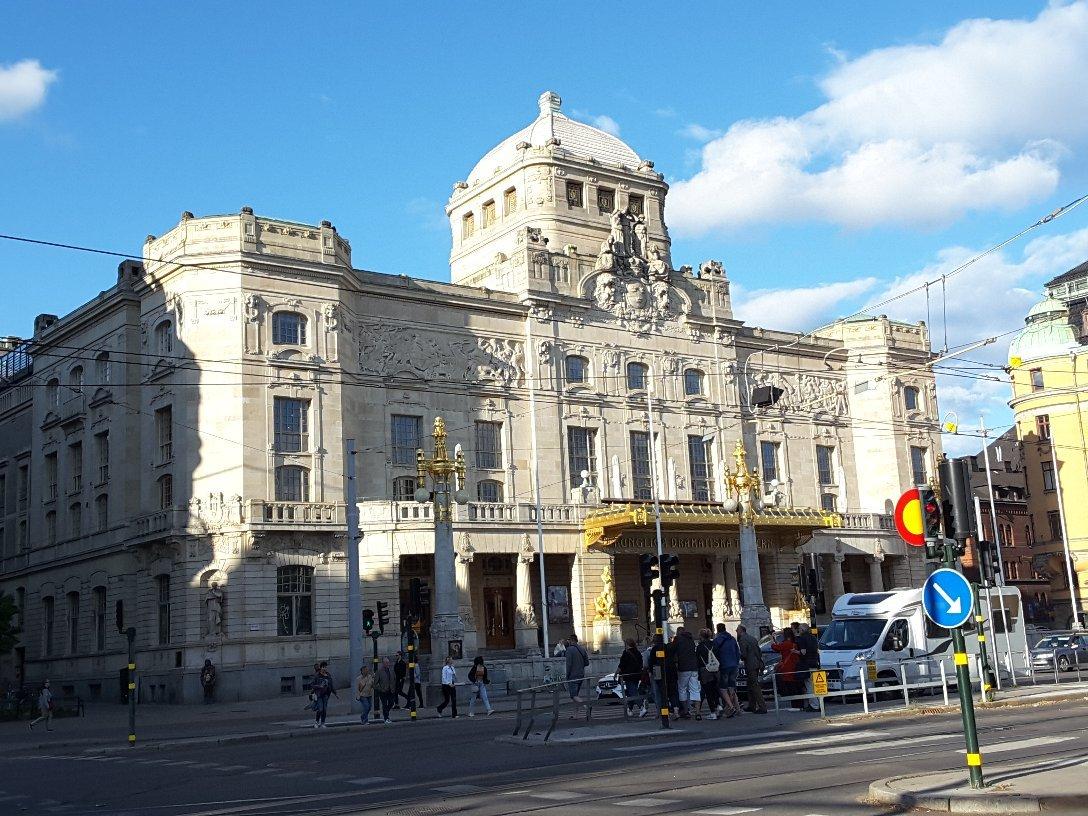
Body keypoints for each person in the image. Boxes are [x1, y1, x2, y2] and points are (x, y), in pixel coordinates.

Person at [712, 623, 742, 718]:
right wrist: (736, 662)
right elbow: (738, 652)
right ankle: (737, 708)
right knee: (731, 687)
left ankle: (730, 706)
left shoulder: (717, 640)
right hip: (734, 665)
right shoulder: (732, 639)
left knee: (723, 688)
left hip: (724, 665)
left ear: (717, 630)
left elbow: (714, 654)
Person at [736, 625, 767, 714]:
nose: (736, 632)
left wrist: (740, 657)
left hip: (750, 665)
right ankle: (752, 705)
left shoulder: (742, 640)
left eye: (737, 630)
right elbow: (758, 651)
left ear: (741, 631)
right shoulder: (752, 638)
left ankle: (762, 706)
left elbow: (744, 654)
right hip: (757, 663)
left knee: (754, 685)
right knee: (750, 685)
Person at [671, 627, 700, 719]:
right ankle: (698, 713)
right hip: (694, 667)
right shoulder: (691, 639)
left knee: (682, 689)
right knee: (695, 690)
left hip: (683, 667)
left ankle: (686, 711)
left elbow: (672, 650)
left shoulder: (677, 639)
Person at [793, 621, 822, 712]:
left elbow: (803, 652)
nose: (798, 630)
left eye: (799, 629)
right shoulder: (813, 638)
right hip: (815, 663)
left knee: (809, 686)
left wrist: (795, 651)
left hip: (807, 664)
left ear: (802, 630)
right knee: (815, 686)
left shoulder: (802, 638)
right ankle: (818, 704)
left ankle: (814, 706)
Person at [772, 628, 802, 709]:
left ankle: (795, 706)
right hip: (795, 667)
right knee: (796, 687)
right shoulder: (794, 643)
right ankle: (799, 705)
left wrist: (772, 639)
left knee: (791, 688)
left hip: (788, 668)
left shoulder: (786, 644)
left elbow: (775, 647)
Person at [696, 629, 721, 720]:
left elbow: (698, 660)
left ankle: (713, 712)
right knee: (715, 689)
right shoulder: (714, 644)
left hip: (705, 670)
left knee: (708, 692)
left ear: (701, 636)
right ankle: (718, 705)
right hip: (716, 669)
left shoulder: (700, 647)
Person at [564, 634, 590, 716]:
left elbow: (569, 665)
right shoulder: (582, 649)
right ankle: (575, 715)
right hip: (581, 674)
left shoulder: (569, 650)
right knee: (576, 695)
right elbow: (587, 663)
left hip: (572, 675)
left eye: (568, 640)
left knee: (573, 696)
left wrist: (567, 676)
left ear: (571, 640)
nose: (567, 642)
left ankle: (587, 707)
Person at [616, 638, 644, 715]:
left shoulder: (626, 653)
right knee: (631, 691)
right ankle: (630, 709)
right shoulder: (638, 652)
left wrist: (616, 673)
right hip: (636, 675)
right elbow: (641, 663)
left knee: (633, 692)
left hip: (628, 676)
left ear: (627, 645)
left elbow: (621, 665)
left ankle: (641, 707)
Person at [310, 663, 338, 728]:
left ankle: (323, 723)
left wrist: (335, 693)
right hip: (319, 694)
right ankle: (316, 722)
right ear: (320, 668)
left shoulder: (328, 675)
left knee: (324, 709)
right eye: (323, 667)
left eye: (325, 667)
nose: (324, 668)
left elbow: (331, 685)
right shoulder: (317, 675)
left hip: (326, 694)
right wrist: (319, 686)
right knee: (320, 709)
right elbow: (312, 684)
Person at [376, 657, 396, 723]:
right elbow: (375, 683)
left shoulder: (391, 670)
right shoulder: (379, 671)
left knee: (391, 703)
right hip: (383, 691)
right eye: (386, 663)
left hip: (390, 690)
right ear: (383, 663)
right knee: (384, 704)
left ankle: (386, 712)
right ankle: (386, 718)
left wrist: (393, 687)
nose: (388, 664)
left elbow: (394, 679)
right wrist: (380, 689)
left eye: (388, 662)